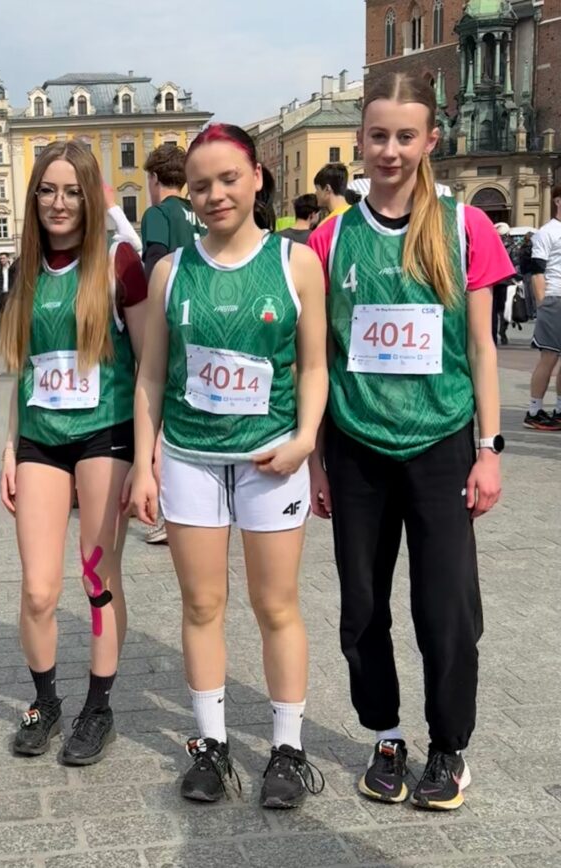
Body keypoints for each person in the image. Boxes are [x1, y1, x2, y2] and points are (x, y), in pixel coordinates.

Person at [307, 72, 511, 811]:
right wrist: (319, 461)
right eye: (377, 136)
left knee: (445, 606)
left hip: (441, 443)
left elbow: (483, 347)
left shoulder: (465, 227)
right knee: (363, 606)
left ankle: (449, 746)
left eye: (404, 136)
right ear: (359, 141)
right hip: (357, 446)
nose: (389, 150)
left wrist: (489, 447)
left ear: (430, 140)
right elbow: (317, 357)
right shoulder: (330, 238)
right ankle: (386, 735)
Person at [127, 123, 329, 808]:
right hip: (192, 459)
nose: (214, 195)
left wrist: (305, 439)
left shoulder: (296, 263)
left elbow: (315, 366)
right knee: (202, 604)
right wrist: (146, 463)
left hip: (271, 457)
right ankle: (210, 745)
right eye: (201, 185)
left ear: (257, 178)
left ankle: (287, 749)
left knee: (276, 605)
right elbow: (152, 375)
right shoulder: (171, 271)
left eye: (228, 179)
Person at [0, 141, 147, 765]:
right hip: (40, 438)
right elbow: (24, 367)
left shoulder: (118, 263)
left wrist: (149, 459)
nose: (58, 203)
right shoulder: (23, 270)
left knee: (95, 578)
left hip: (103, 434)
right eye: (47, 190)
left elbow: (150, 366)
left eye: (72, 191)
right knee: (38, 589)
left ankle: (98, 706)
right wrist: (11, 445)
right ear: (34, 197)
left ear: (90, 197)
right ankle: (45, 701)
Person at [139, 143, 208, 546]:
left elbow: (155, 264)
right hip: (206, 318)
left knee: (162, 420)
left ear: (153, 178)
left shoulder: (158, 214)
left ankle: (169, 512)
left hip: (173, 318)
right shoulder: (198, 212)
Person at [140, 142, 207, 280]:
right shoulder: (203, 213)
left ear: (155, 178)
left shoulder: (158, 213)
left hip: (177, 291)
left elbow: (154, 271)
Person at [525, 188, 561, 430]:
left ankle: (559, 408)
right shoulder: (547, 232)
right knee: (549, 357)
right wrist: (543, 305)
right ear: (558, 201)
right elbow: (537, 272)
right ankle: (534, 411)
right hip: (554, 298)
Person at [490, 223, 516, 346]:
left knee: (492, 310)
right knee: (504, 309)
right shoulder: (512, 245)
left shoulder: (490, 244)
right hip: (505, 281)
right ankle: (503, 332)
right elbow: (515, 263)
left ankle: (493, 335)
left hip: (491, 280)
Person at [314, 163, 351, 227]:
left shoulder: (325, 225)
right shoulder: (359, 215)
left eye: (317, 189)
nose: (315, 193)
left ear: (327, 189)